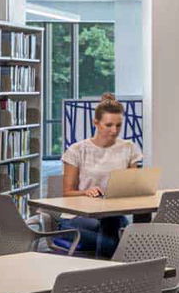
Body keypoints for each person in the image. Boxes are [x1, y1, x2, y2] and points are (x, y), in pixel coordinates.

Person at [60, 93, 142, 257]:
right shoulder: (77, 150)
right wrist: (86, 192)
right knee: (122, 238)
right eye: (109, 125)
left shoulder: (129, 148)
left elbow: (133, 186)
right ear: (96, 123)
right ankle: (123, 270)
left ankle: (104, 271)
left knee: (113, 224)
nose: (114, 130)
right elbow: (67, 193)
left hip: (113, 214)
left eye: (118, 125)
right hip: (78, 218)